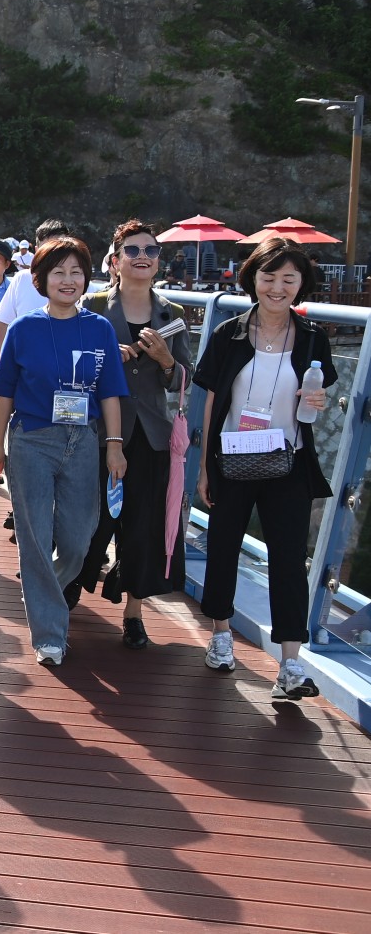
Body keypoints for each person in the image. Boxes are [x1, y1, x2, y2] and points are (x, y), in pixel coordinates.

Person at [194, 237, 335, 700]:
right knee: (223, 547)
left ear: (301, 284)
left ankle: (290, 663)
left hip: (287, 460)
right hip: (232, 458)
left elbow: (318, 398)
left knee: (289, 560)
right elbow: (211, 402)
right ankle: (220, 635)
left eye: (288, 279)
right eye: (268, 277)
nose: (277, 288)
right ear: (252, 279)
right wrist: (205, 468)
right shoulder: (229, 334)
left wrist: (318, 399)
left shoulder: (313, 338)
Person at [0, 236, 128, 666]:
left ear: (87, 278)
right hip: (32, 439)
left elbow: (110, 393)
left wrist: (114, 446)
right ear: (41, 279)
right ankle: (49, 635)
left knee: (77, 541)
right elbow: (4, 395)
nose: (68, 280)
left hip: (83, 440)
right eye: (58, 272)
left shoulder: (100, 328)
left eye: (76, 272)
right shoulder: (24, 329)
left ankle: (40, 586)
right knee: (35, 538)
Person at [69, 220, 191, 649]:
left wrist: (166, 361)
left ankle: (134, 612)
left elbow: (184, 379)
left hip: (152, 433)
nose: (143, 257)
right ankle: (68, 588)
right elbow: (70, 365)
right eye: (133, 250)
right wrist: (102, 359)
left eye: (151, 251)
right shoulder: (91, 305)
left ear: (158, 261)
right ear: (115, 260)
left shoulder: (173, 314)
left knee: (143, 525)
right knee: (89, 518)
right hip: (98, 430)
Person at [0, 220, 71, 382]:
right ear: (38, 250)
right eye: (49, 248)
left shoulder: (78, 282)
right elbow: (3, 321)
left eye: (60, 248)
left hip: (67, 371)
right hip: (24, 370)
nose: (55, 254)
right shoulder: (23, 279)